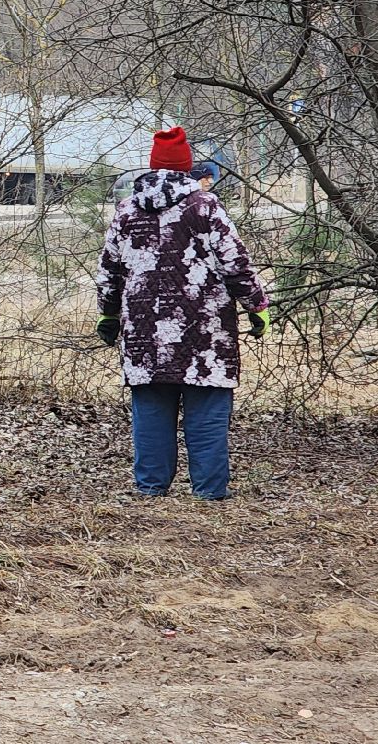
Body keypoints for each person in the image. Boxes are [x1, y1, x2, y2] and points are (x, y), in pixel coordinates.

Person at [96, 127, 270, 500]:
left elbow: (109, 270)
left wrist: (108, 315)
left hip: (144, 334)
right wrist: (256, 305)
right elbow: (235, 264)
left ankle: (150, 489)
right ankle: (209, 494)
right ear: (187, 167)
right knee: (207, 411)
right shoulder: (205, 207)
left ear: (152, 166)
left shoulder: (126, 211)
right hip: (203, 331)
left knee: (151, 411)